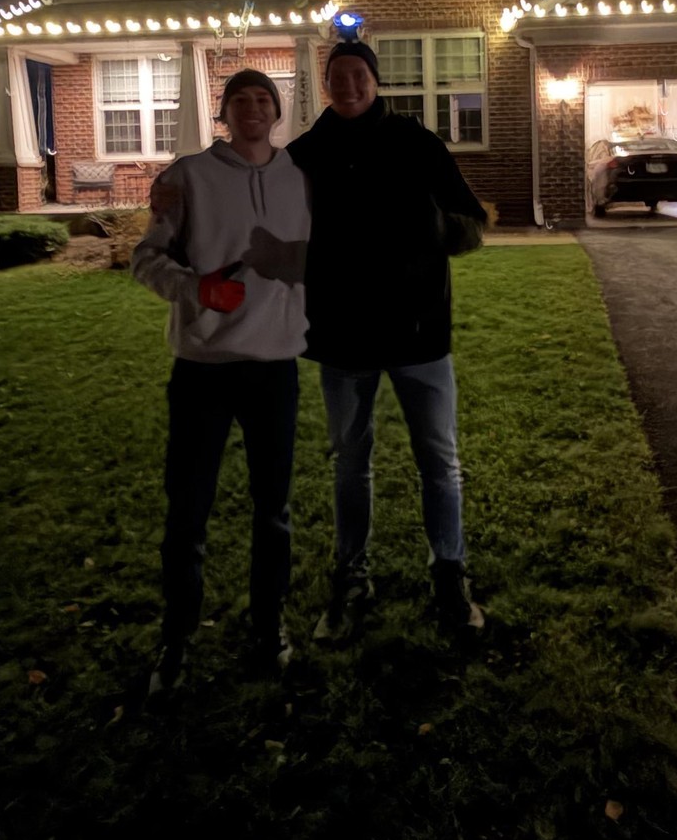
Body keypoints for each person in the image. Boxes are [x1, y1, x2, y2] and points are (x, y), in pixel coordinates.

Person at [286, 38, 488, 639]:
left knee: (440, 462)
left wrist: (429, 233)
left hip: (418, 330)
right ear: (326, 85)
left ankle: (449, 577)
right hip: (343, 337)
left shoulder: (417, 144)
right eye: (337, 76)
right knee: (351, 463)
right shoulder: (304, 154)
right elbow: (256, 210)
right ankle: (351, 577)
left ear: (376, 82)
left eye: (359, 75)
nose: (348, 85)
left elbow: (468, 221)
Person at [132, 67, 310, 694]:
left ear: (278, 110)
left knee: (275, 512)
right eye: (242, 100)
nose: (254, 109)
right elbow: (145, 259)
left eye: (265, 99)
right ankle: (176, 639)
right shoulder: (185, 178)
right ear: (224, 111)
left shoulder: (301, 177)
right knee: (188, 512)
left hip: (274, 370)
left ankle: (270, 626)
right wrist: (195, 289)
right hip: (203, 372)